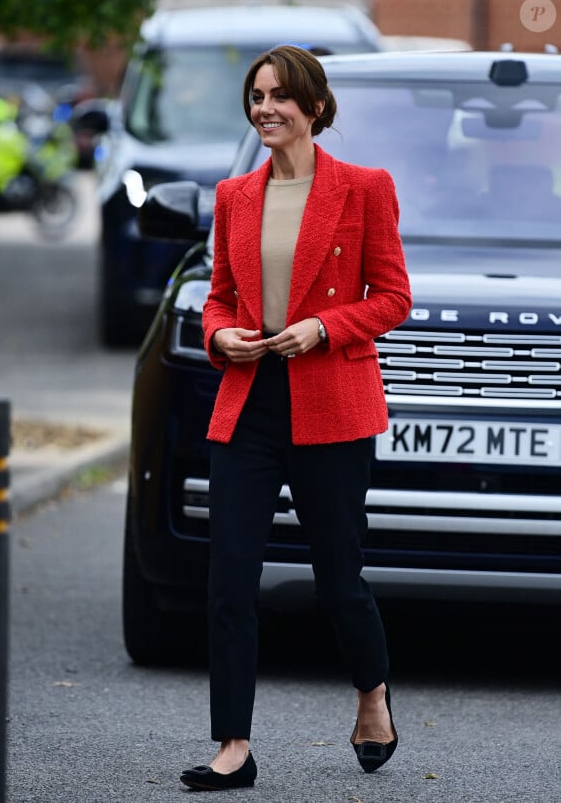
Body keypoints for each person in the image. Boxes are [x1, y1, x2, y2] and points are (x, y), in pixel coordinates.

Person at [180, 44, 412, 792]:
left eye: (281, 96)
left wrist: (326, 328)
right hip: (248, 403)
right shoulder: (233, 196)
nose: (266, 108)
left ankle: (372, 696)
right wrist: (220, 334)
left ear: (314, 107)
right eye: (256, 96)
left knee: (339, 579)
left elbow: (393, 297)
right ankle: (233, 745)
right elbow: (218, 294)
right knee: (229, 581)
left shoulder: (365, 188)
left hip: (332, 406)